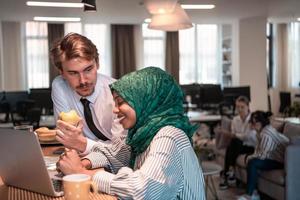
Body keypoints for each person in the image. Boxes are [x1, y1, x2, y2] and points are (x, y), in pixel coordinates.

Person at [57, 67, 206, 199]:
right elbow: (114, 154)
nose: (115, 110)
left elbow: (141, 190)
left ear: (145, 100)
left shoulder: (169, 136)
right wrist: (82, 163)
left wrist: (80, 172)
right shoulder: (143, 132)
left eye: (120, 102)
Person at [50, 33, 124, 154]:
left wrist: (82, 143)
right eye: (73, 73)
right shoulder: (60, 86)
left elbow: (121, 151)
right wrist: (77, 144)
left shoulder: (117, 91)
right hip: (85, 157)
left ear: (97, 64)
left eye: (88, 69)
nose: (83, 80)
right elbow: (68, 138)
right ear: (62, 73)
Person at [239, 111, 289, 199]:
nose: (253, 125)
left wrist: (250, 157)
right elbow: (259, 150)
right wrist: (250, 156)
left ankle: (250, 194)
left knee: (253, 162)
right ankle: (253, 192)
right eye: (252, 122)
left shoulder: (266, 133)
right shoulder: (261, 132)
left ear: (261, 122)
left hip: (281, 161)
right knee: (251, 159)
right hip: (273, 157)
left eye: (255, 122)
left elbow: (262, 155)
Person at [219, 96, 257, 190]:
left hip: (251, 147)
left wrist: (236, 135)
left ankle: (226, 173)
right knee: (234, 143)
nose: (239, 109)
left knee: (235, 142)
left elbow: (249, 136)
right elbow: (236, 134)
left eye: (242, 107)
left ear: (248, 106)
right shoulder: (235, 120)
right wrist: (237, 135)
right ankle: (230, 172)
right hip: (238, 145)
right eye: (237, 107)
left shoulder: (253, 119)